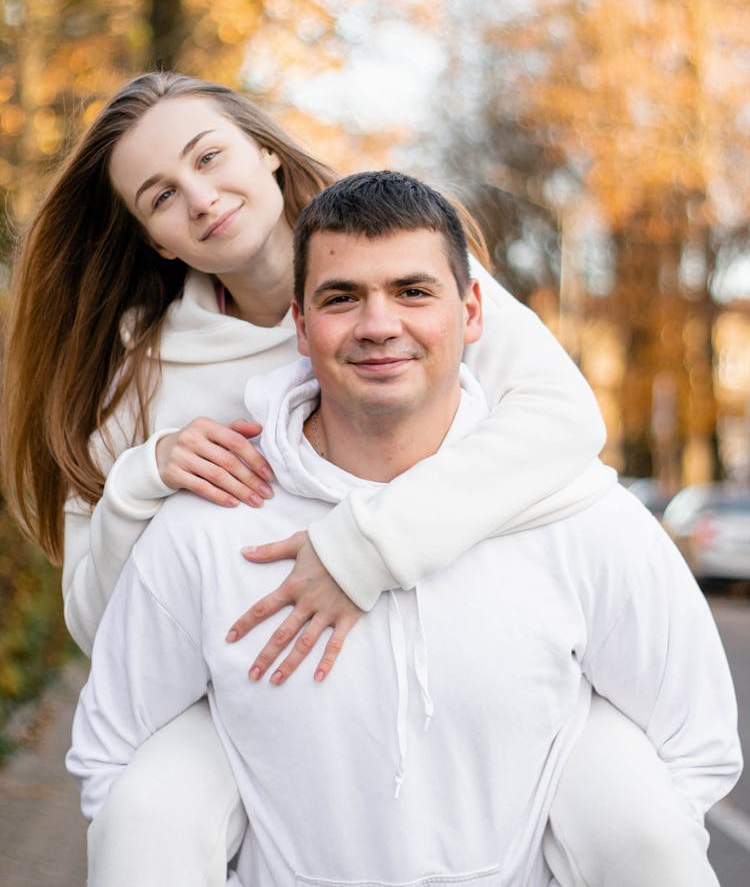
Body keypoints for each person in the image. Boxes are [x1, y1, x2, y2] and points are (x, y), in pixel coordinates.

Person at [2, 73, 615, 886]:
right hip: (253, 698)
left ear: (264, 151)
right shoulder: (140, 376)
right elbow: (95, 622)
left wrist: (367, 548)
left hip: (467, 663)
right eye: (161, 196)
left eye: (209, 156)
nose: (201, 196)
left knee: (633, 827)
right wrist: (140, 479)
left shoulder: (396, 267)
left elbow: (566, 420)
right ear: (155, 239)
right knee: (144, 823)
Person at [67, 171, 741, 887]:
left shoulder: (583, 521)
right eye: (342, 297)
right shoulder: (208, 524)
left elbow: (693, 750)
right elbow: (113, 757)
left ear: (472, 311)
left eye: (413, 291)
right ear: (300, 325)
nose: (379, 324)